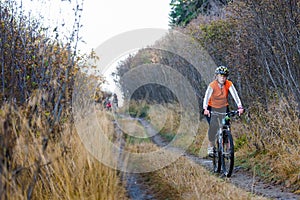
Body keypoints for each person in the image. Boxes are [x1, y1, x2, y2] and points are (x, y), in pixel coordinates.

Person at [203, 66, 244, 156]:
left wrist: (240, 106)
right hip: (211, 108)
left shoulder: (228, 84)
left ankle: (228, 150)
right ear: (217, 76)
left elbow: (235, 95)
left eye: (224, 76)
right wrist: (205, 108)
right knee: (213, 127)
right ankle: (211, 147)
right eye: (221, 75)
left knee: (226, 126)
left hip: (224, 107)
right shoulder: (212, 85)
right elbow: (206, 97)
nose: (223, 78)